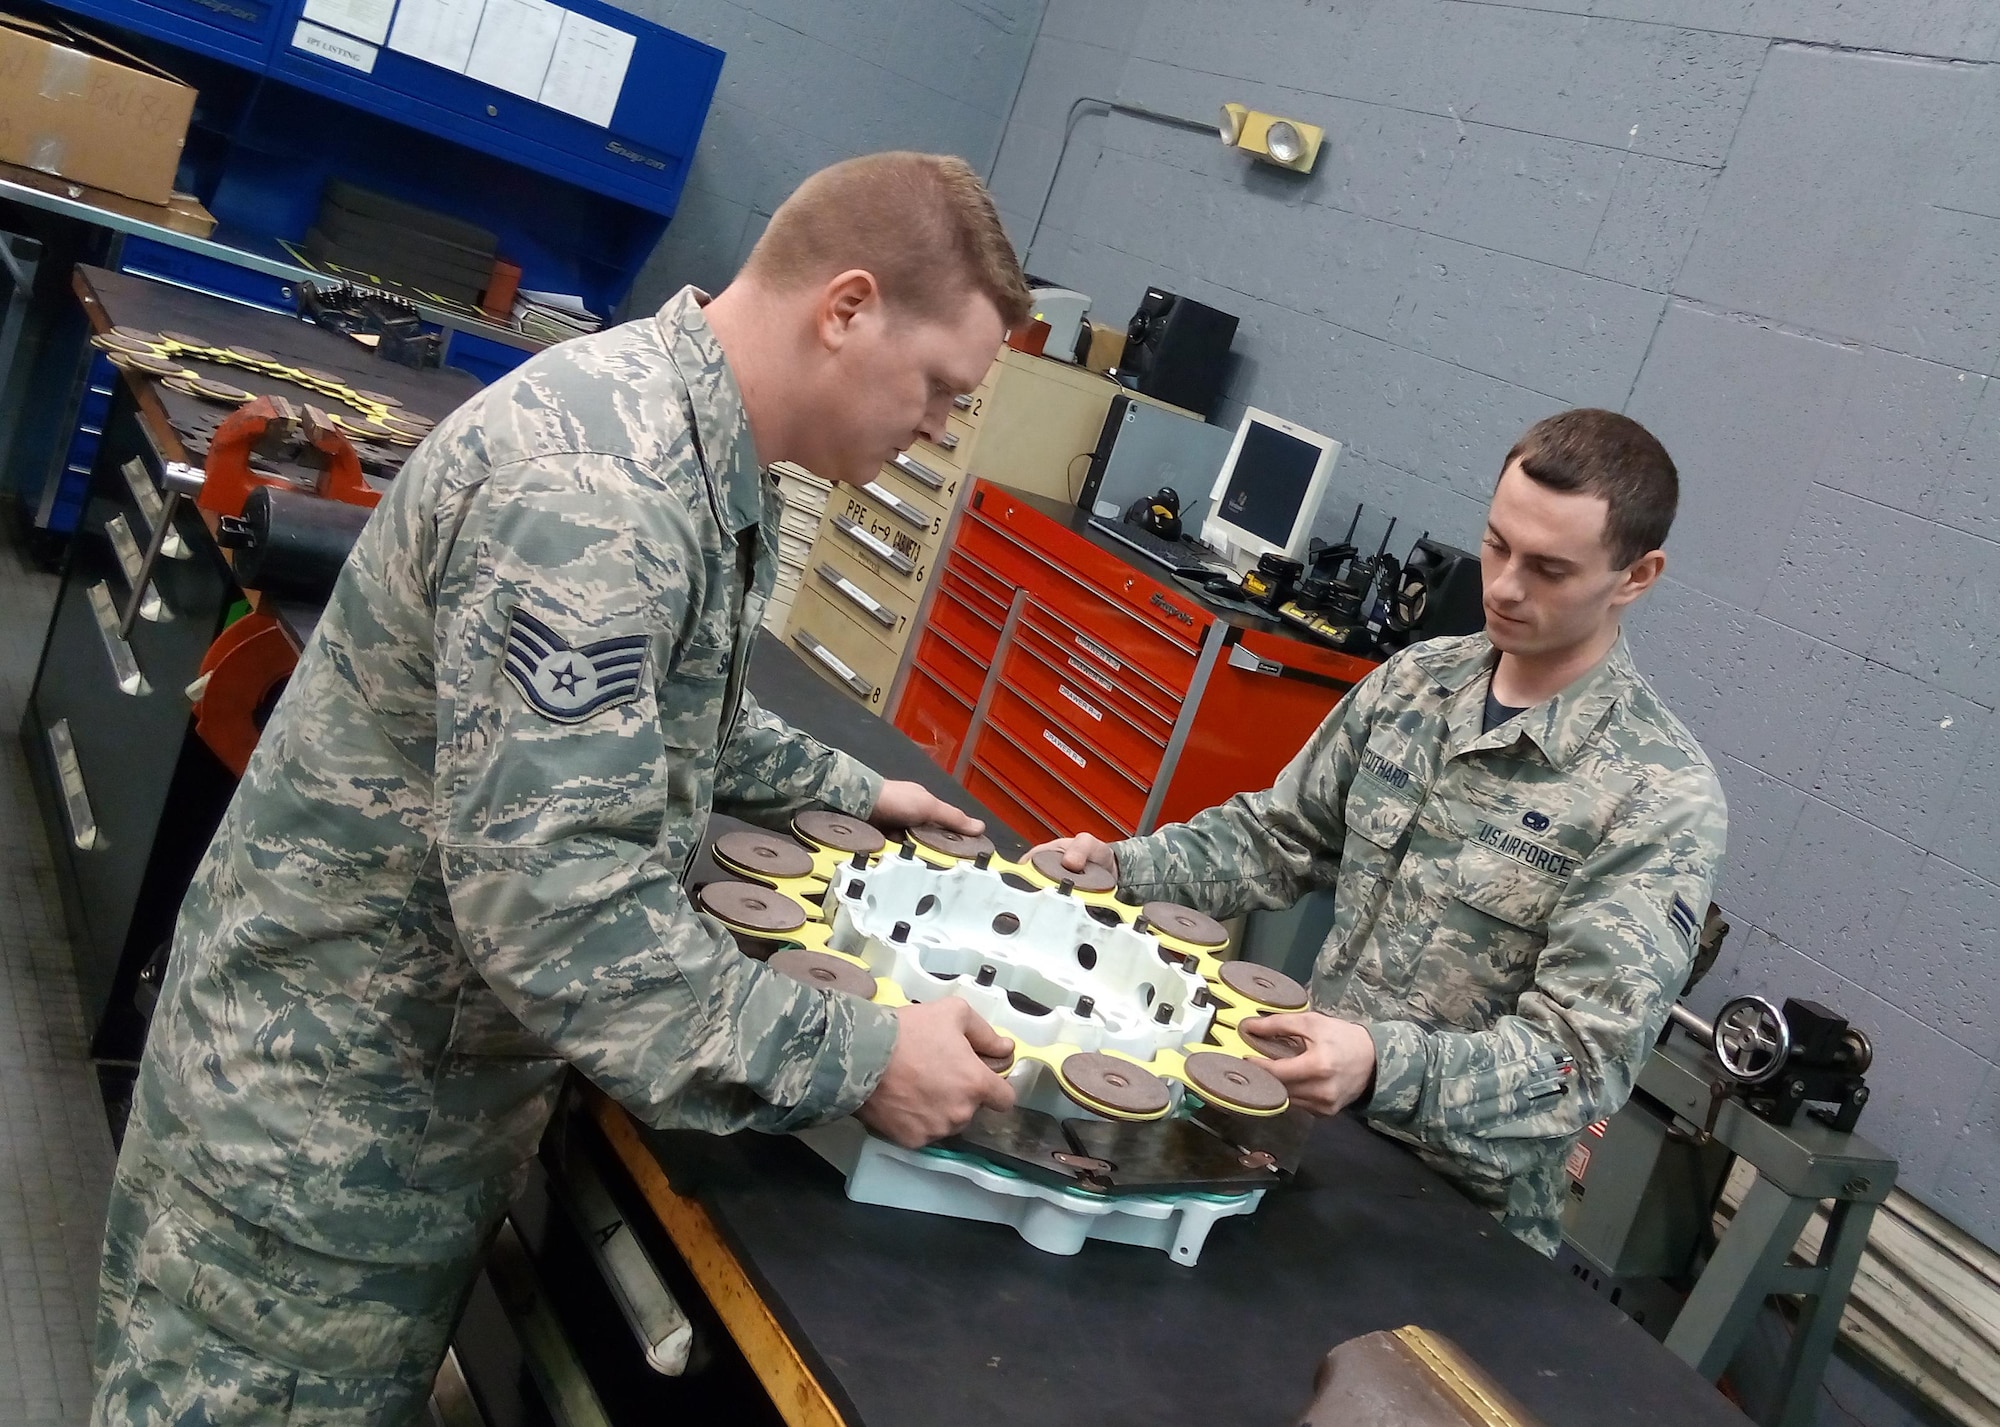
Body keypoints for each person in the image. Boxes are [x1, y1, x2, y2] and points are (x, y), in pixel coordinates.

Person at [92, 151, 1030, 1424]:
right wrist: (864, 1053)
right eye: (938, 389)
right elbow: (559, 917)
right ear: (847, 307)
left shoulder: (671, 442)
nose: (932, 429)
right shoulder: (599, 492)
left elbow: (660, 689)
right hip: (309, 1144)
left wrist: (852, 787)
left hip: (389, 1106)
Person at [1041, 409, 1728, 1256]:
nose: (1505, 587)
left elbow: (1580, 1062)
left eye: (1550, 568)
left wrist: (1381, 1066)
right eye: (1497, 544)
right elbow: (1277, 836)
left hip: (1458, 1217)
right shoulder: (1418, 682)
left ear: (1636, 575)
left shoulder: (1658, 793)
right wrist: (1119, 864)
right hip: (1301, 1142)